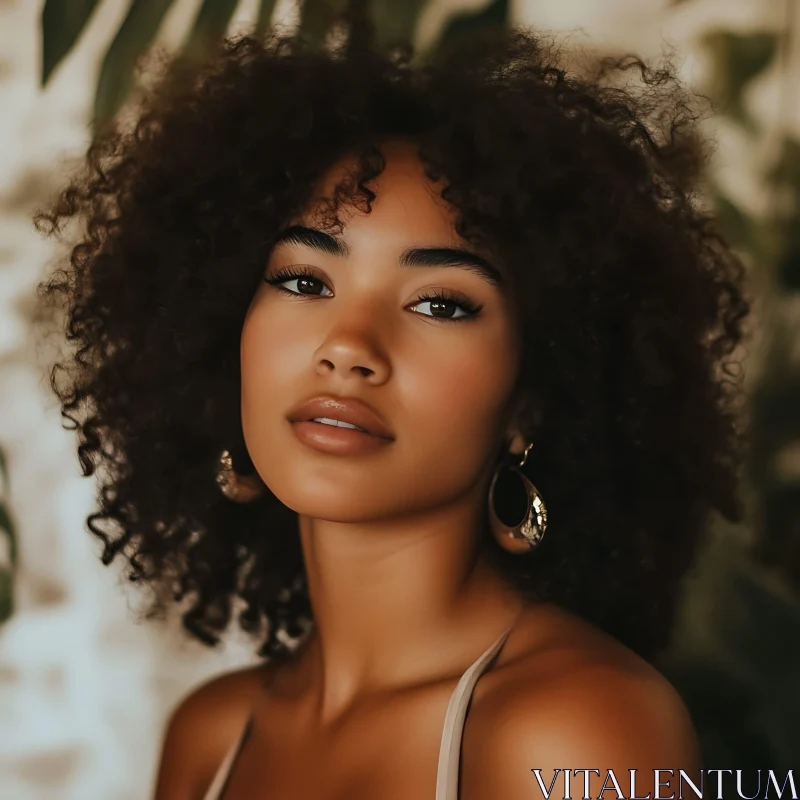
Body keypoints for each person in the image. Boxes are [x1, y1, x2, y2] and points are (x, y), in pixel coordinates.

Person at [33, 2, 750, 797]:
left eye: (441, 303)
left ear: (533, 402)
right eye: (304, 281)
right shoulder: (211, 736)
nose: (349, 345)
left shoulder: (580, 727)